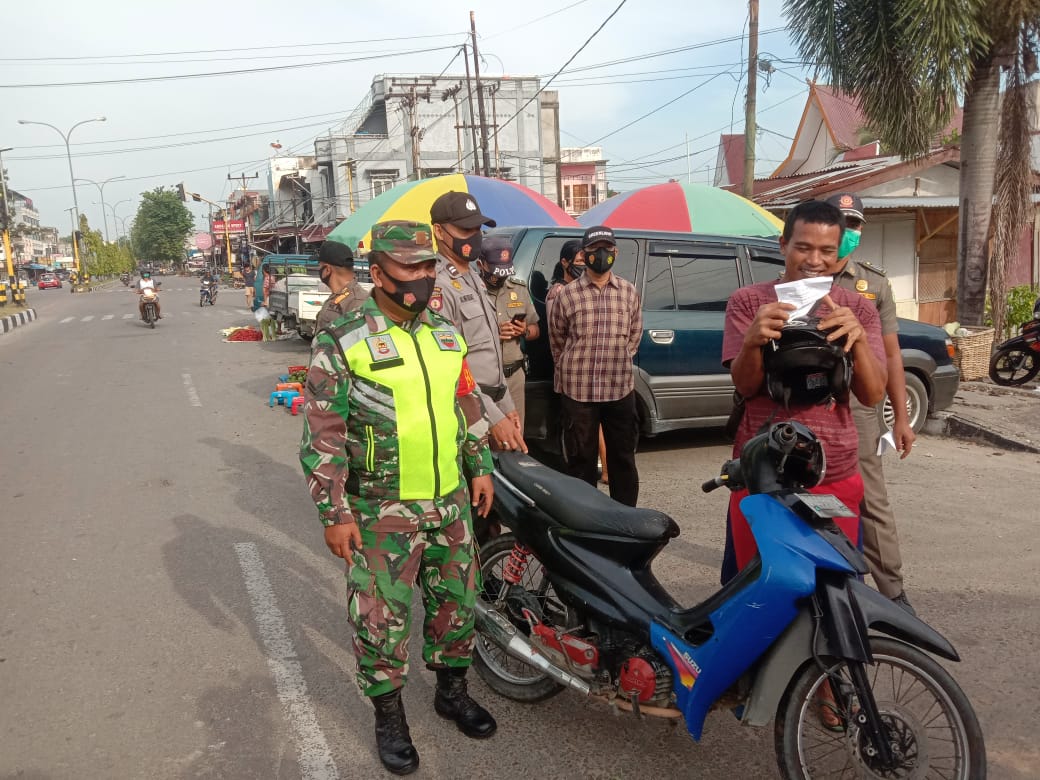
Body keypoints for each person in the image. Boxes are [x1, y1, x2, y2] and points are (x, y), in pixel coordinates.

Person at [299, 220, 497, 776]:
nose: (422, 277)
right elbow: (322, 435)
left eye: (428, 266)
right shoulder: (342, 338)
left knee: (457, 602)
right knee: (381, 619)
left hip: (449, 500)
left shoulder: (443, 334)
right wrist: (334, 514)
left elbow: (466, 403)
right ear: (378, 272)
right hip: (380, 507)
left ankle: (451, 692)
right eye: (410, 267)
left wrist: (479, 466)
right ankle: (389, 716)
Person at [722, 199, 887, 574]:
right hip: (763, 471)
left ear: (839, 253)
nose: (815, 260)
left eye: (827, 250)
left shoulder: (858, 309)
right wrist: (752, 341)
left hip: (835, 472)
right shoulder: (749, 302)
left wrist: (858, 340)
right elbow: (746, 387)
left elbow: (873, 394)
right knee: (761, 587)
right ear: (783, 245)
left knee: (834, 585)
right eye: (803, 247)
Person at [824, 192, 917, 614]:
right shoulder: (802, 276)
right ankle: (835, 584)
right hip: (805, 404)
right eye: (840, 221)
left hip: (859, 408)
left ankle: (893, 594)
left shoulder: (873, 285)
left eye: (855, 224)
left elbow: (892, 355)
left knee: (869, 501)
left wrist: (900, 418)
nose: (848, 231)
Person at [549, 225, 643, 506]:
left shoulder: (628, 292)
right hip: (578, 392)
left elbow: (634, 335)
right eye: (593, 250)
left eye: (606, 249)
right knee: (581, 462)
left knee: (623, 460)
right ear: (584, 254)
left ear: (615, 252)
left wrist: (618, 360)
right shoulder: (567, 295)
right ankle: (587, 521)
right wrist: (572, 366)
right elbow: (557, 340)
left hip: (619, 390)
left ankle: (625, 520)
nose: (600, 255)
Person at [429, 191, 526, 454]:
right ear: (439, 231)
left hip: (494, 399)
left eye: (477, 228)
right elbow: (451, 368)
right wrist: (494, 418)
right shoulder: (438, 286)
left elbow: (490, 351)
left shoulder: (473, 276)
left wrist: (507, 406)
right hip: (466, 407)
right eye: (464, 229)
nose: (474, 236)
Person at [477, 234, 540, 431]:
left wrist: (525, 331)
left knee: (515, 434)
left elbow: (535, 329)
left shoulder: (518, 289)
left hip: (514, 376)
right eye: (496, 271)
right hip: (483, 379)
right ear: (481, 265)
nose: (501, 276)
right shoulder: (471, 293)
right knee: (485, 437)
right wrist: (494, 334)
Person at [313, 239, 368, 334]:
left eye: (319, 266)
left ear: (327, 270)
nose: (318, 269)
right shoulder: (338, 296)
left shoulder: (357, 302)